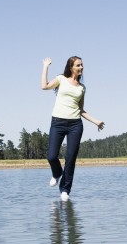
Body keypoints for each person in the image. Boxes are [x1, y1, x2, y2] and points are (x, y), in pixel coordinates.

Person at [41, 56, 105, 201]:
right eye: (78, 65)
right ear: (71, 67)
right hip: (57, 122)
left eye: (82, 65)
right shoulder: (61, 79)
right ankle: (57, 173)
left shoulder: (82, 88)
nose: (81, 67)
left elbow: (81, 110)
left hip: (75, 125)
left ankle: (65, 190)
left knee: (70, 158)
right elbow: (44, 86)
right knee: (51, 156)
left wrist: (96, 121)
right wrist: (46, 66)